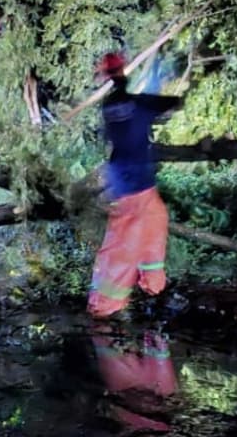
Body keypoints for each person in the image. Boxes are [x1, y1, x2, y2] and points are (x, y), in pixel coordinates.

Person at [88, 51, 182, 319]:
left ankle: (151, 288)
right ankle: (105, 306)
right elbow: (167, 103)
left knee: (151, 222)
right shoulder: (135, 104)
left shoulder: (112, 105)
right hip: (133, 180)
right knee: (128, 239)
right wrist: (177, 96)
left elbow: (139, 105)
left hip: (127, 177)